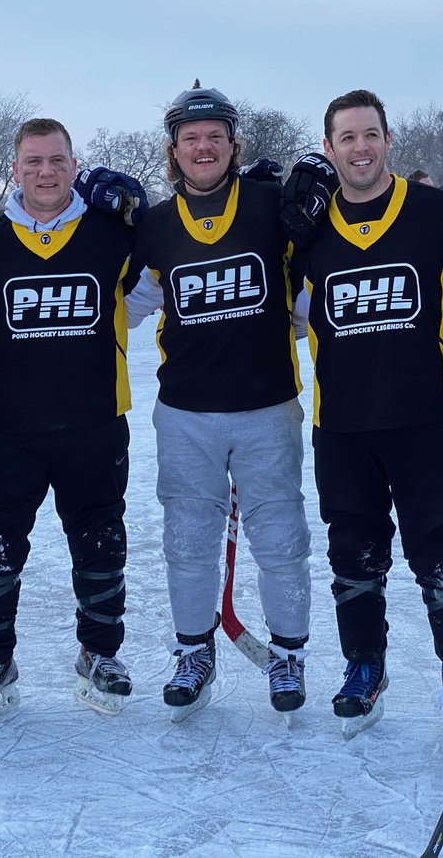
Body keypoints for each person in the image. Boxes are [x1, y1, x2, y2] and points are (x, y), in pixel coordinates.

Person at [287, 90, 443, 739]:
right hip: (343, 425)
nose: (360, 148)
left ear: (388, 139)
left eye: (370, 135)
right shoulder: (311, 230)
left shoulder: (435, 212)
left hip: (428, 417)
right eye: (347, 138)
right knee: (354, 556)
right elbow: (275, 315)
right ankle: (363, 666)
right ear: (329, 148)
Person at [125, 81, 311, 720]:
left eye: (215, 136)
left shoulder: (270, 206)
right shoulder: (153, 225)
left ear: (234, 144)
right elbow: (123, 306)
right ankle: (193, 650)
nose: (203, 147)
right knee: (188, 538)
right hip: (186, 412)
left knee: (281, 535)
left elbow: (315, 297)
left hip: (268, 407)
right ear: (172, 150)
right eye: (190, 138)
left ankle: (288, 654)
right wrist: (97, 221)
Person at [0, 119, 140, 720]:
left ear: (74, 165)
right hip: (9, 427)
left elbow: (169, 281)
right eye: (33, 161)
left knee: (100, 541)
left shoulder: (112, 234)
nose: (45, 172)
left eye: (57, 161)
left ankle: (100, 654)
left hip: (95, 423)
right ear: (15, 168)